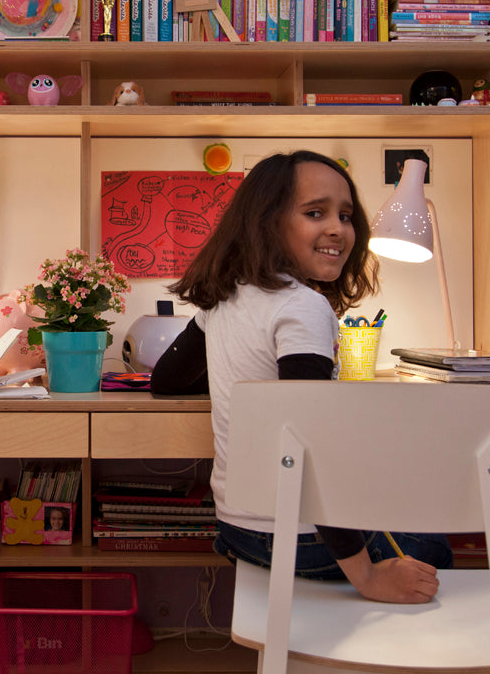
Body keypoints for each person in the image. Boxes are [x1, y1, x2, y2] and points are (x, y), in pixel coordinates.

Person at [150, 151, 451, 604]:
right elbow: (312, 449)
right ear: (266, 222)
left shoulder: (224, 298)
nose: (338, 229)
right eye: (315, 213)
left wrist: (247, 385)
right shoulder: (303, 307)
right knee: (435, 546)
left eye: (345, 215)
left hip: (235, 530)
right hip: (297, 538)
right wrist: (366, 577)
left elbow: (167, 380)